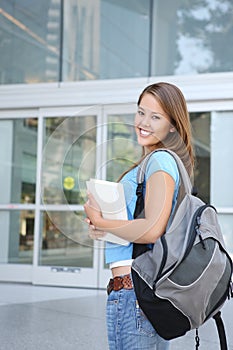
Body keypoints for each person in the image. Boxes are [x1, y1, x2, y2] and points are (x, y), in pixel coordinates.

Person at [84, 82, 195, 350]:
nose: (143, 122)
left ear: (172, 125)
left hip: (135, 293)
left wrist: (100, 221)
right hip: (136, 293)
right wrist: (104, 228)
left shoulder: (161, 161)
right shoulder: (152, 162)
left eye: (155, 117)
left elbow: (152, 229)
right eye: (140, 112)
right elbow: (142, 225)